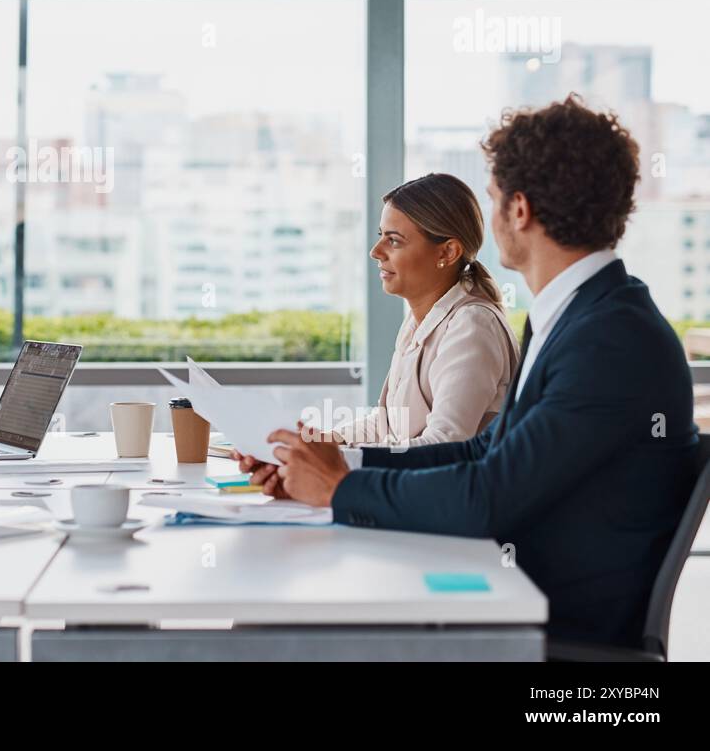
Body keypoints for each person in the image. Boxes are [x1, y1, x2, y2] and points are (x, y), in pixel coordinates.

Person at [243, 95, 699, 649]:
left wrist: (342, 488)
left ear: (521, 210)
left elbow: (490, 494)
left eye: (493, 196)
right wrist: (338, 465)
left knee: (284, 629)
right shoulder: (581, 315)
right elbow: (482, 453)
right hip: (512, 596)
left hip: (553, 638)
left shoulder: (610, 339)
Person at [336, 173, 517, 447]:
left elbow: (445, 444)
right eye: (380, 236)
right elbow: (388, 425)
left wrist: (339, 460)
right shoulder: (419, 322)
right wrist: (315, 445)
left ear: (447, 252)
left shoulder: (472, 325)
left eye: (394, 240)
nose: (376, 251)